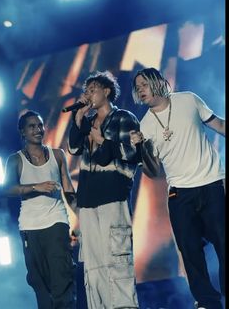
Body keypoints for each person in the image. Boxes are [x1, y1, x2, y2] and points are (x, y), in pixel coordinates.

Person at [130, 67, 225, 309]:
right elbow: (153, 172)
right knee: (190, 252)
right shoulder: (145, 125)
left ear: (158, 82)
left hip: (212, 183)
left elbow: (220, 126)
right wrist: (141, 149)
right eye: (137, 87)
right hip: (180, 193)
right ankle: (207, 302)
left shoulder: (188, 100)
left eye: (143, 84)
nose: (140, 90)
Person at [68, 70, 140, 309]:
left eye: (92, 90)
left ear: (106, 91)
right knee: (94, 265)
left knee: (116, 261)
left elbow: (131, 154)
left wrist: (102, 142)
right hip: (88, 201)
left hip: (112, 197)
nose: (87, 95)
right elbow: (74, 149)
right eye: (85, 91)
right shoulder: (88, 122)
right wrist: (78, 118)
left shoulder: (123, 118)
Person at [4, 110, 77, 309]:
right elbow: (7, 189)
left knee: (61, 276)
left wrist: (81, 217)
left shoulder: (57, 154)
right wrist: (36, 187)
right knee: (39, 281)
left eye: (40, 125)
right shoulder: (15, 160)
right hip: (30, 226)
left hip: (56, 221)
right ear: (23, 132)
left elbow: (68, 189)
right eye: (32, 126)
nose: (38, 129)